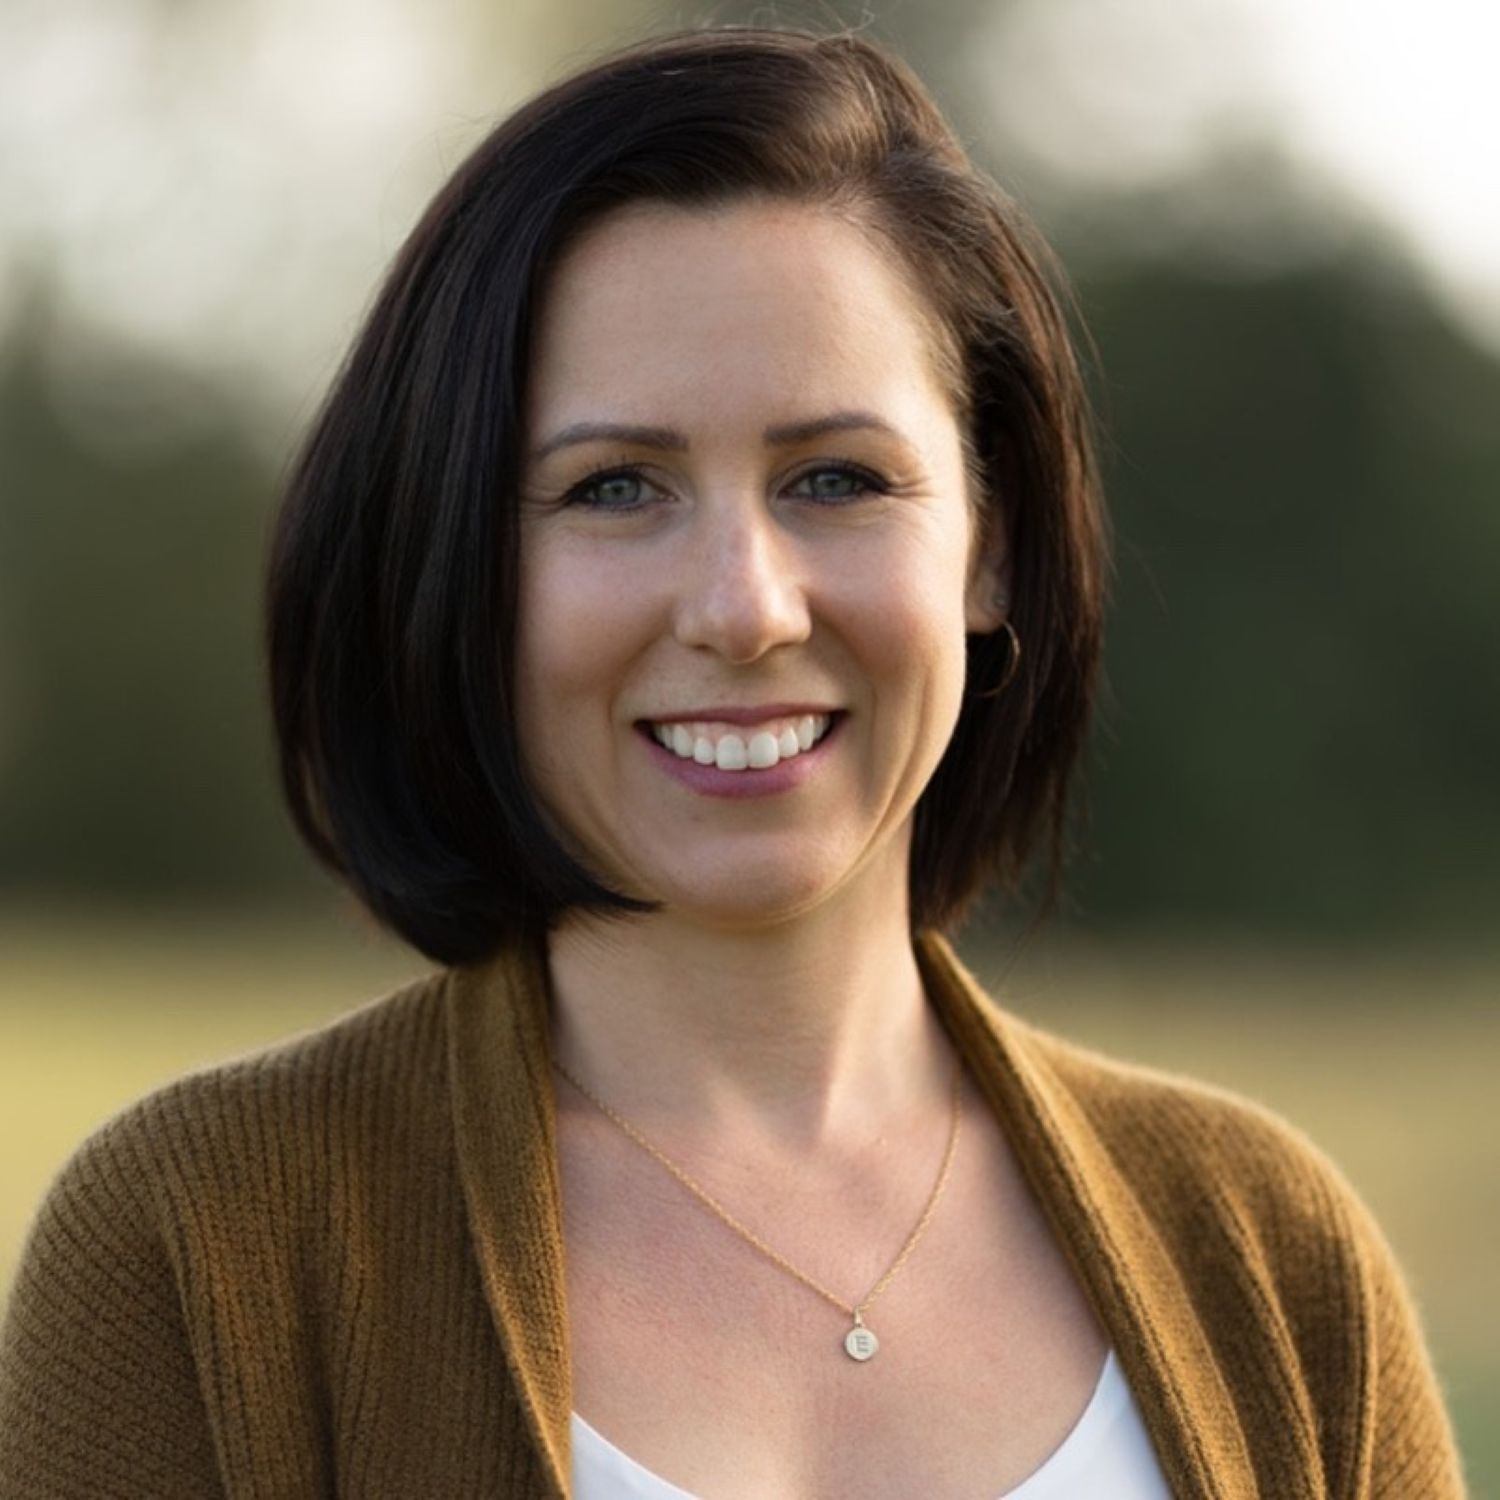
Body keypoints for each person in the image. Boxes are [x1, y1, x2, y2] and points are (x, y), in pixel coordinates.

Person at [0, 25, 1465, 1500]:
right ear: (461, 566)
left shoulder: (1273, 1257)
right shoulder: (193, 1252)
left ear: (992, 546)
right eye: (614, 488)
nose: (745, 607)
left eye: (835, 479)